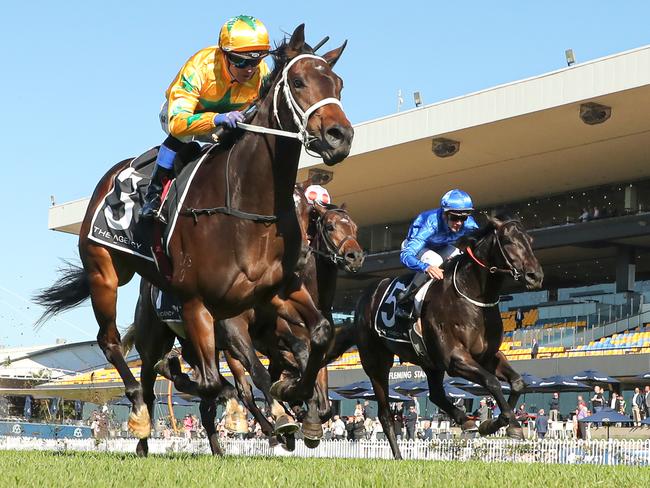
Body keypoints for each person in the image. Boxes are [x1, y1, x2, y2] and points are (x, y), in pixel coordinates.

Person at [140, 15, 272, 219]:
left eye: (256, 59)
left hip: (226, 118)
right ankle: (153, 196)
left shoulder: (261, 73)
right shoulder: (199, 67)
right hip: (181, 117)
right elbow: (178, 124)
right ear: (225, 54)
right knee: (182, 136)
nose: (249, 69)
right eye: (240, 60)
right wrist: (216, 119)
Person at [395, 189, 479, 320]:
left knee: (461, 259)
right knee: (434, 260)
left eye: (463, 217)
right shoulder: (430, 223)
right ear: (444, 215)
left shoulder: (469, 224)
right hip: (416, 248)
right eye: (455, 217)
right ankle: (406, 299)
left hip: (441, 246)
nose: (459, 223)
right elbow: (405, 255)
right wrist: (426, 267)